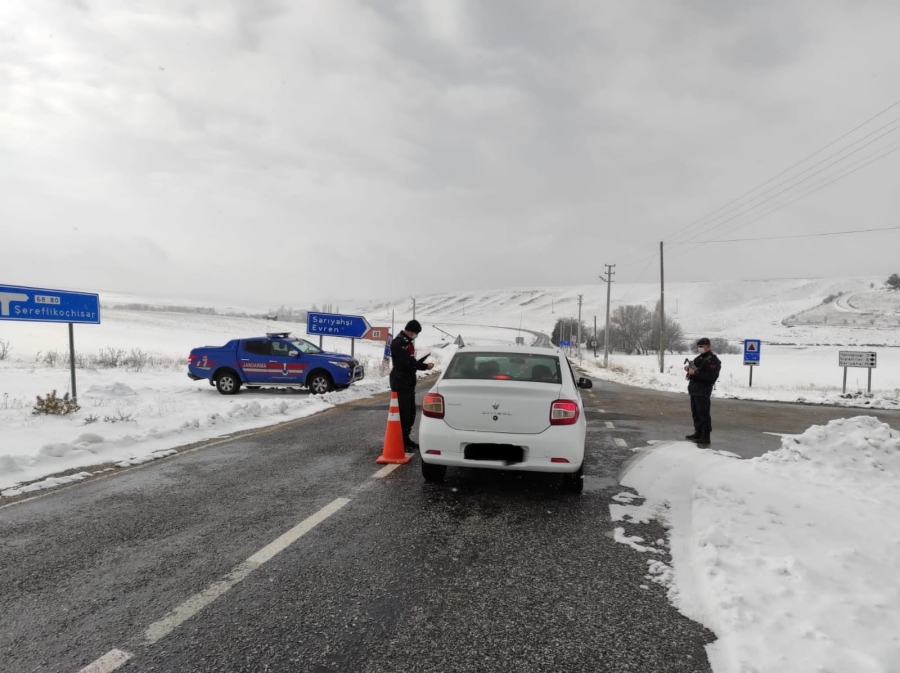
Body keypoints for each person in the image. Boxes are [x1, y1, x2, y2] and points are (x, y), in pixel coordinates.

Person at [390, 320, 434, 450]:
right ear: (409, 330)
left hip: (407, 380)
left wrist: (418, 363)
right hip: (401, 380)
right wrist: (425, 366)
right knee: (403, 412)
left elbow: (410, 361)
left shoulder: (406, 342)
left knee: (410, 412)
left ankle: (406, 438)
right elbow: (406, 362)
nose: (416, 335)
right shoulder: (399, 343)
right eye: (415, 333)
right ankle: (400, 441)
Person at [684, 337, 721, 448]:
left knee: (703, 414)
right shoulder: (698, 358)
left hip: (703, 391)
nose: (700, 348)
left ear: (708, 346)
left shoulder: (713, 360)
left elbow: (711, 377)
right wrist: (689, 371)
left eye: (702, 346)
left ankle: (705, 436)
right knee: (695, 413)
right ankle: (698, 432)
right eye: (698, 347)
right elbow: (692, 374)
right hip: (694, 390)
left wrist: (695, 373)